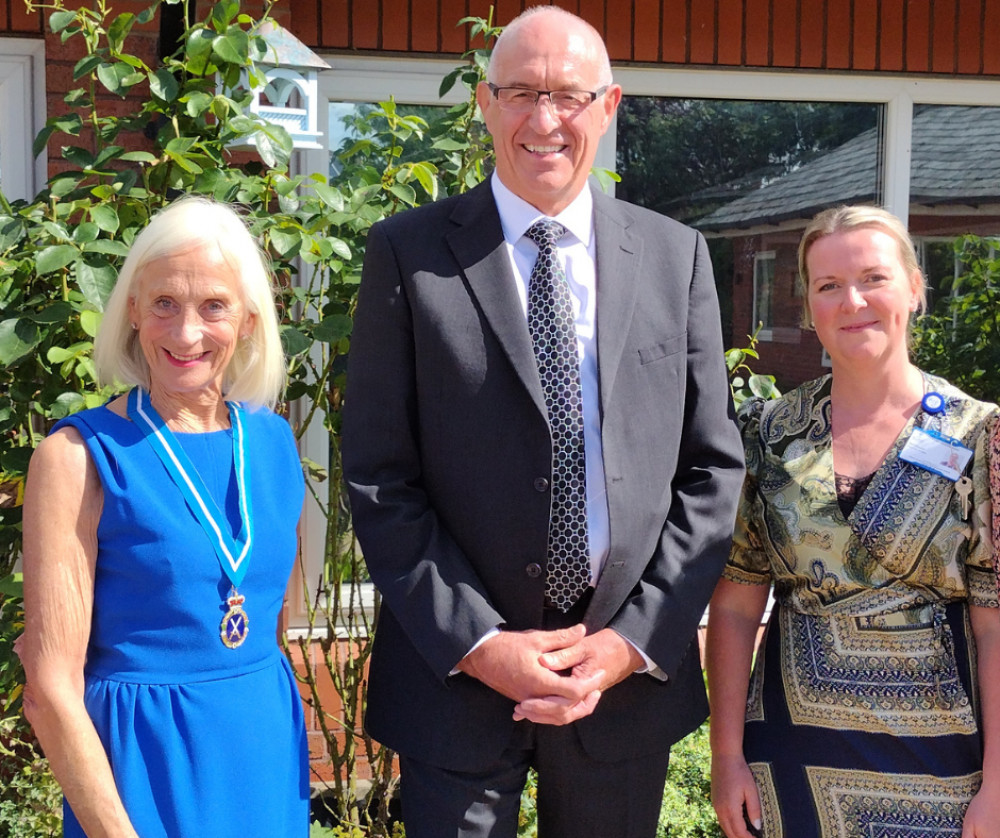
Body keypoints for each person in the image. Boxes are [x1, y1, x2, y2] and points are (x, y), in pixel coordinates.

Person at [341, 6, 744, 837]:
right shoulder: (406, 253)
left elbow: (711, 471)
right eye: (520, 92)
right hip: (455, 683)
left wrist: (631, 641)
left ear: (610, 104)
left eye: (567, 94)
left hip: (622, 686)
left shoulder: (677, 256)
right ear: (485, 104)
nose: (544, 119)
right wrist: (481, 643)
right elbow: (381, 476)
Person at [706, 205, 1000, 838]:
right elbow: (733, 607)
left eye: (874, 278)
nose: (853, 301)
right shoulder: (768, 434)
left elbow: (996, 621)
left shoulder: (979, 435)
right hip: (788, 759)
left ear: (915, 290)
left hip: (943, 765)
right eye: (829, 285)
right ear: (809, 307)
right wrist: (726, 756)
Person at [19, 197, 309, 836]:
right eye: (164, 305)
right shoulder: (76, 459)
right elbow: (48, 686)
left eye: (213, 306)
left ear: (250, 320)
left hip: (261, 750)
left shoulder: (274, 443)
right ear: (131, 312)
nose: (186, 333)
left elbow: (267, 623)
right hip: (142, 768)